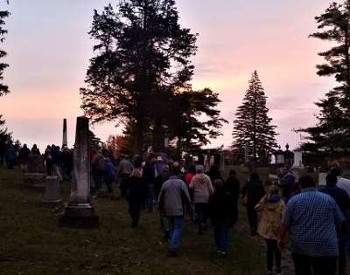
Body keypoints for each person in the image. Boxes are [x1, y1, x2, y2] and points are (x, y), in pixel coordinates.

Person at [279, 175, 345, 275]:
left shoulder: (294, 201)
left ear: (300, 186)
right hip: (326, 245)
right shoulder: (328, 199)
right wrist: (336, 236)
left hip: (301, 246)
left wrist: (281, 239)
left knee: (303, 271)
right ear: (315, 185)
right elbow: (340, 220)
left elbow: (285, 224)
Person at [319, 173, 350, 275]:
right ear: (336, 181)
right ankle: (341, 270)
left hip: (326, 223)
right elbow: (347, 208)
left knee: (326, 249)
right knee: (341, 248)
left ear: (326, 181)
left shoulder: (321, 192)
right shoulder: (342, 192)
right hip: (341, 222)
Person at [158, 165, 191, 257]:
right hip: (178, 208)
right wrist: (189, 207)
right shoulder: (181, 183)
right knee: (178, 227)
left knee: (172, 226)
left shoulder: (165, 184)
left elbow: (160, 197)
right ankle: (173, 246)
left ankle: (172, 243)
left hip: (167, 208)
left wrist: (160, 207)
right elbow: (187, 196)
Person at [255, 185, 285, 275]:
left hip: (267, 229)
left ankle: (269, 269)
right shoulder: (281, 203)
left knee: (269, 249)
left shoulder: (265, 202)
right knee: (277, 249)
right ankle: (278, 268)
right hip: (277, 228)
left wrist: (264, 200)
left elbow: (256, 208)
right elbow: (284, 216)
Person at [208, 178, 235, 257]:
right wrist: (231, 217)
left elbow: (210, 208)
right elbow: (231, 207)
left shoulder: (213, 196)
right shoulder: (227, 195)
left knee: (217, 233)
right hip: (225, 217)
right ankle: (224, 249)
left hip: (216, 217)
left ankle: (219, 248)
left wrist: (210, 217)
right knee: (224, 233)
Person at [189, 164, 214, 234]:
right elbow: (211, 189)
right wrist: (211, 194)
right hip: (206, 197)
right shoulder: (207, 177)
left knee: (199, 212)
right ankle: (205, 224)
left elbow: (190, 186)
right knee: (205, 212)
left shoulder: (194, 178)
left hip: (197, 197)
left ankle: (200, 227)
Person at [126, 163, 146, 228]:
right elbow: (143, 188)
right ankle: (136, 220)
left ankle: (133, 218)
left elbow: (127, 187)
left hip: (132, 195)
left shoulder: (130, 179)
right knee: (137, 209)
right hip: (138, 196)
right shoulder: (141, 180)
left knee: (131, 208)